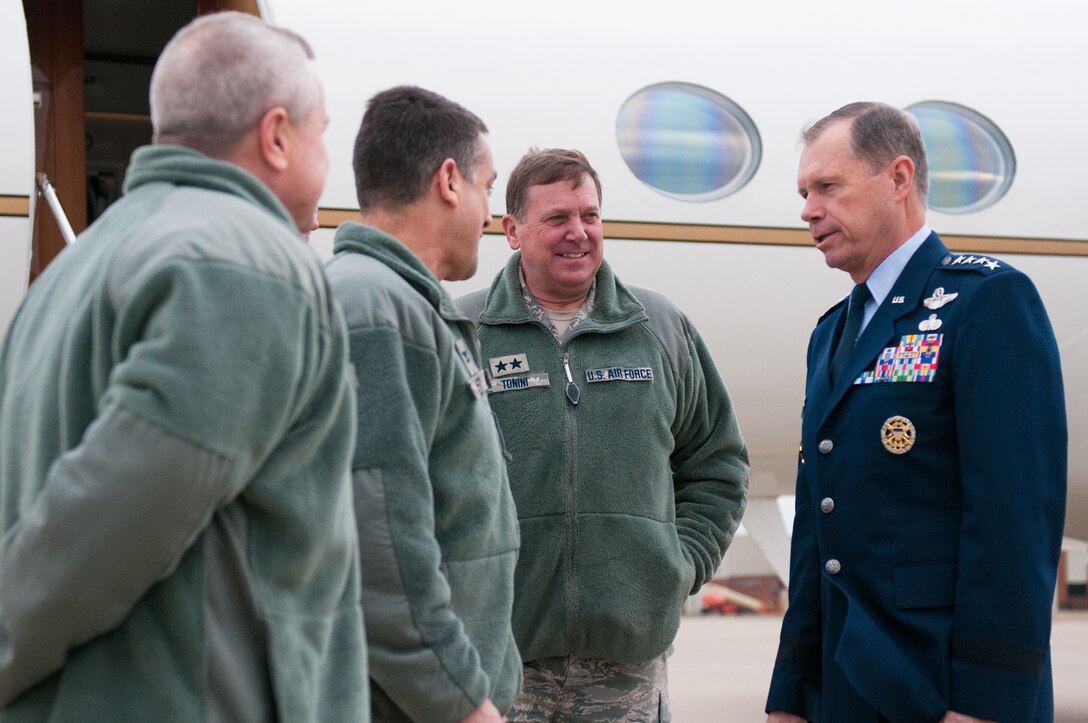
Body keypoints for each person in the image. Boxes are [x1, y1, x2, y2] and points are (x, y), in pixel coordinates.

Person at [0, 12, 368, 720]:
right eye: (322, 132)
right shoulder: (246, 264)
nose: (327, 157)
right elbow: (113, 515)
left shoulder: (71, 267)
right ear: (278, 135)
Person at [766, 102, 1067, 723]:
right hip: (846, 689)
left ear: (899, 179)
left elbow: (1013, 520)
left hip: (940, 688)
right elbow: (817, 534)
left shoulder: (986, 302)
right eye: (803, 192)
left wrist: (987, 701)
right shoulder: (831, 334)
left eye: (827, 186)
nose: (807, 210)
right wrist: (790, 694)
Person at [458, 148, 750, 721]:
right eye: (557, 219)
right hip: (500, 662)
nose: (578, 233)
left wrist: (678, 564)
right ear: (513, 231)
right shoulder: (463, 331)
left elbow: (718, 464)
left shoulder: (659, 328)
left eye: (590, 216)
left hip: (629, 667)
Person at [324, 86, 521, 723]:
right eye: (487, 186)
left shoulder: (395, 304)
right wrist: (460, 703)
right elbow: (382, 545)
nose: (491, 214)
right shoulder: (377, 312)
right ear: (447, 181)